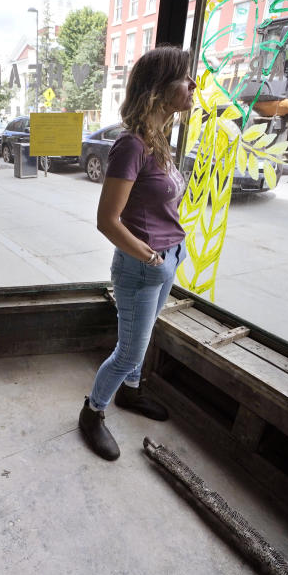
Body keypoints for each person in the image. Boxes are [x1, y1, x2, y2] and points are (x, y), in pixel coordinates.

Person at [78, 45, 196, 461]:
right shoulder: (130, 146)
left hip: (167, 258)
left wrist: (170, 254)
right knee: (128, 349)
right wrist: (150, 258)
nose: (193, 84)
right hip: (143, 266)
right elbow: (107, 220)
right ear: (160, 88)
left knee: (140, 342)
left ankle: (130, 393)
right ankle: (92, 414)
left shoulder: (157, 138)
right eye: (185, 78)